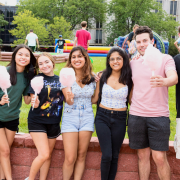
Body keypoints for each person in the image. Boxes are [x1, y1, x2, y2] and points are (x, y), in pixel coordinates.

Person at [128, 26, 178, 180]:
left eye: (145, 41)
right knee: (142, 156)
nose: (142, 44)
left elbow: (173, 78)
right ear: (135, 44)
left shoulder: (165, 59)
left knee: (159, 158)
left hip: (159, 116)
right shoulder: (133, 63)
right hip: (136, 115)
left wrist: (164, 81)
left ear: (152, 41)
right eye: (138, 42)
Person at [94, 47, 132, 180]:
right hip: (102, 117)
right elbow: (94, 99)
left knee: (115, 155)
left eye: (118, 58)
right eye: (112, 59)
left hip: (120, 119)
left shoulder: (129, 79)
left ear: (124, 60)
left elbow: (132, 101)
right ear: (108, 62)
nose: (115, 61)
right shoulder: (102, 76)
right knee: (107, 155)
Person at [0, 44, 37, 180]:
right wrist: (0, 100)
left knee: (5, 152)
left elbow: (27, 101)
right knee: (4, 151)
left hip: (12, 117)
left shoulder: (27, 77)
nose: (23, 57)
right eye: (20, 54)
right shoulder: (4, 72)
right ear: (14, 56)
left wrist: (34, 89)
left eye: (27, 55)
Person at [25, 53, 64, 180]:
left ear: (53, 62)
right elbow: (34, 102)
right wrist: (35, 102)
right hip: (37, 120)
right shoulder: (36, 80)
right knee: (44, 154)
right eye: (40, 64)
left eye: (46, 62)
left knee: (48, 155)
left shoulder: (62, 79)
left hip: (54, 122)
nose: (44, 65)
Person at [61, 46, 97, 180]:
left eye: (79, 56)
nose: (77, 59)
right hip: (70, 116)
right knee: (70, 158)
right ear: (70, 60)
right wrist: (69, 96)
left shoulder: (92, 77)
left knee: (82, 155)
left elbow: (93, 100)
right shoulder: (66, 76)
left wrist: (98, 85)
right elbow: (68, 102)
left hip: (87, 116)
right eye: (73, 57)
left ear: (85, 58)